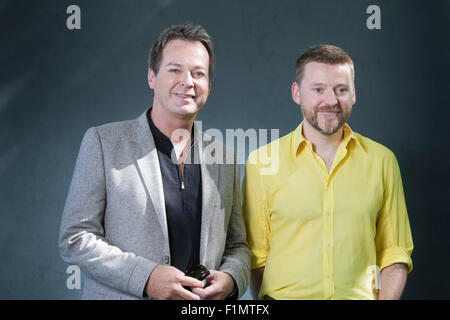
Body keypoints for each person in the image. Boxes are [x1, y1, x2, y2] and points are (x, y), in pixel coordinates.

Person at [59, 23, 250, 300]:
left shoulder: (226, 158)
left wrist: (232, 278)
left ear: (208, 84)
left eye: (199, 73)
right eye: (175, 70)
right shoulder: (103, 143)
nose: (188, 81)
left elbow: (238, 245)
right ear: (152, 77)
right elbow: (75, 238)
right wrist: (145, 278)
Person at [242, 44, 413, 300]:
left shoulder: (382, 161)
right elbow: (256, 255)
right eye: (318, 89)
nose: (331, 100)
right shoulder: (261, 162)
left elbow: (395, 251)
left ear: (353, 94)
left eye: (341, 90)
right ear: (297, 93)